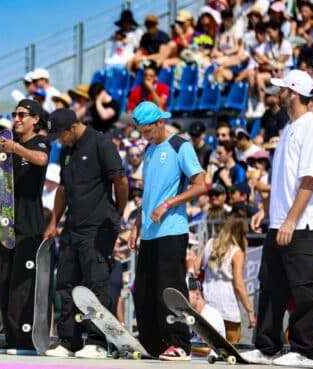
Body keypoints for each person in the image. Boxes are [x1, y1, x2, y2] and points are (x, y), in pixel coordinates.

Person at [244, 70, 313, 367]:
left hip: (303, 224)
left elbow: (309, 180)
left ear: (293, 93)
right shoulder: (288, 128)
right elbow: (283, 181)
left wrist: (291, 220)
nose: (277, 93)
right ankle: (266, 346)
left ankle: (304, 351)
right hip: (280, 221)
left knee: (306, 287)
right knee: (271, 286)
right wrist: (266, 210)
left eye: (281, 89)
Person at [43, 108, 128, 359]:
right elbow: (62, 188)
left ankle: (97, 341)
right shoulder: (68, 149)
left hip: (98, 226)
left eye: (60, 135)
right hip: (73, 226)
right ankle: (68, 341)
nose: (59, 140)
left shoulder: (101, 143)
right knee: (66, 283)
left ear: (72, 127)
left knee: (95, 284)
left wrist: (117, 213)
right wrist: (54, 222)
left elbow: (120, 181)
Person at [126, 102, 206, 360]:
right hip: (148, 232)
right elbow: (148, 193)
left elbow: (200, 185)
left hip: (171, 230)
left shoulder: (180, 146)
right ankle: (154, 344)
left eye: (148, 130)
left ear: (161, 122)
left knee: (169, 289)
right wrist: (136, 226)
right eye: (141, 132)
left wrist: (168, 203)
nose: (144, 136)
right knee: (143, 292)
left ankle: (179, 343)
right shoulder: (149, 151)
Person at [0, 98, 50, 352]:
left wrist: (15, 148)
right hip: (6, 223)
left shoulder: (39, 142)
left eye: (22, 114)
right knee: (6, 282)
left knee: (24, 282)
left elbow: (41, 159)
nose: (17, 118)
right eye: (14, 114)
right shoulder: (6, 144)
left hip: (30, 224)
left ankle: (26, 338)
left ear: (35, 119)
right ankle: (11, 336)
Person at [196, 217, 256, 343]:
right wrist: (250, 311)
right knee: (230, 349)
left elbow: (196, 268)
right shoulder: (236, 252)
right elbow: (239, 285)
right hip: (228, 307)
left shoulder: (210, 244)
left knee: (207, 347)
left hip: (209, 304)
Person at [185, 276, 225, 359]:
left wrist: (181, 346)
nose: (182, 298)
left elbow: (205, 348)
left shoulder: (211, 315)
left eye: (185, 294)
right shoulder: (187, 315)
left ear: (197, 294)